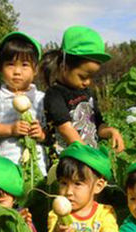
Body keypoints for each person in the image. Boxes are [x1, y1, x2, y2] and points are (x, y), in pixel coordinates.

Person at [40, 26, 124, 154]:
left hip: (89, 161)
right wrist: (86, 155)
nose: (88, 82)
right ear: (64, 67)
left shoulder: (87, 93)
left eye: (91, 77)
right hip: (67, 162)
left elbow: (98, 126)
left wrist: (111, 131)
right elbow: (65, 128)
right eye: (83, 76)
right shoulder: (55, 94)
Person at [0, 31, 48, 176]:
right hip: (6, 166)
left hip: (37, 165)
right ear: (0, 68)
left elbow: (51, 132)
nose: (17, 71)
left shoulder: (41, 98)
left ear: (35, 70)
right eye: (10, 65)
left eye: (24, 65)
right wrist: (10, 130)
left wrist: (41, 134)